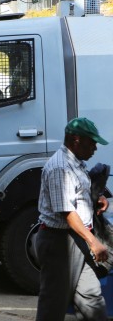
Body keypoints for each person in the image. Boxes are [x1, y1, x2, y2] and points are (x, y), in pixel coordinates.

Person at [35, 117, 110, 321]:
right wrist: (93, 242)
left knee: (92, 300)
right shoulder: (60, 168)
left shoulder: (76, 163)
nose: (95, 147)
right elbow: (67, 213)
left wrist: (98, 198)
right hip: (59, 243)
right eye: (92, 142)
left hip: (77, 240)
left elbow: (78, 195)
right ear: (76, 140)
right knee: (53, 305)